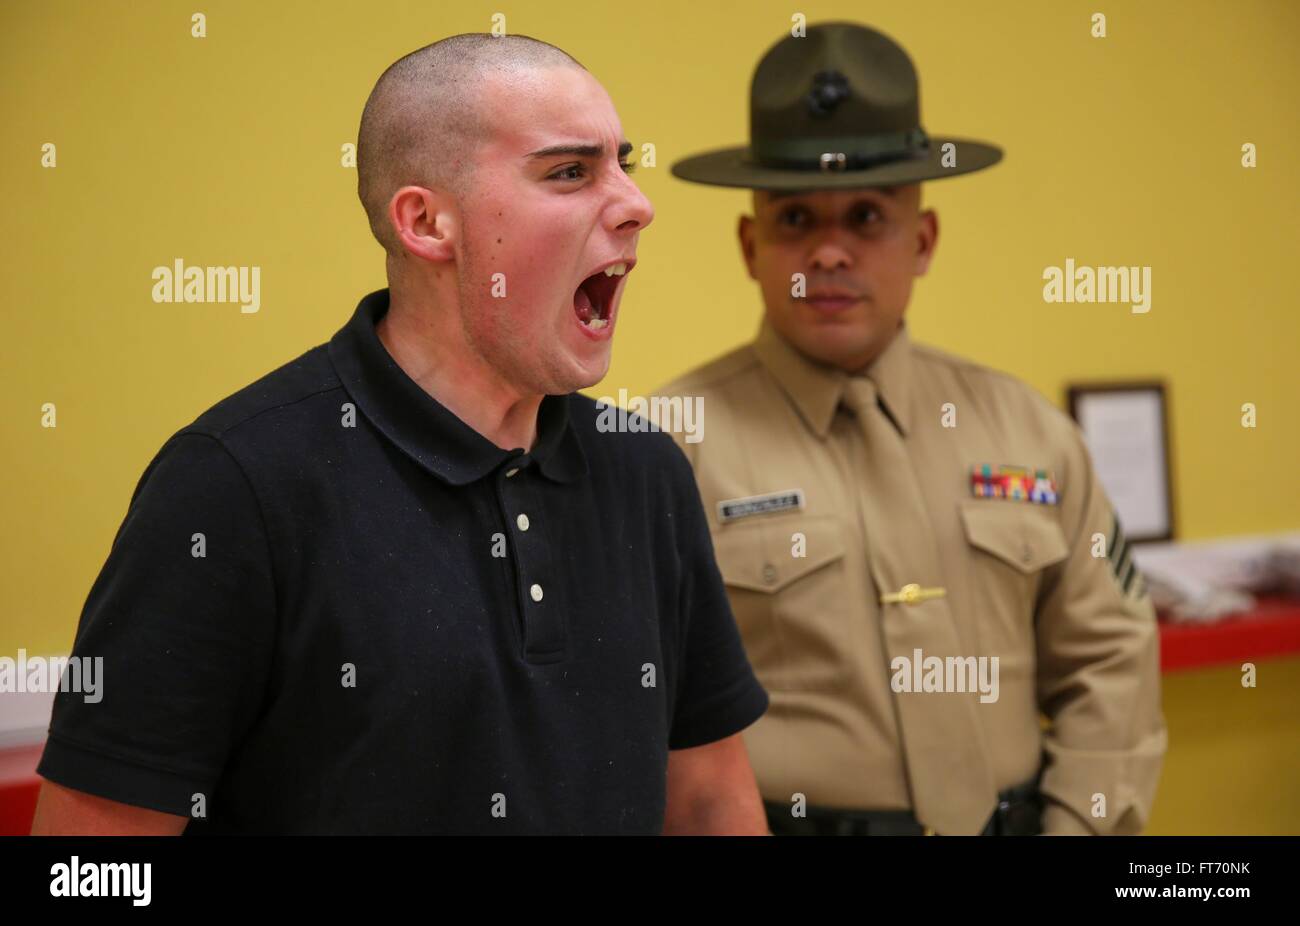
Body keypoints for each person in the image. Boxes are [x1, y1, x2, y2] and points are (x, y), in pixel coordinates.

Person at [30, 33, 769, 835]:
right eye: (570, 172)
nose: (636, 204)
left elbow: (706, 801)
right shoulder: (231, 484)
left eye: (624, 164)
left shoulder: (647, 471)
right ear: (425, 222)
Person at [659, 22, 1166, 835]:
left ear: (922, 241)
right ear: (751, 246)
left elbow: (1110, 664)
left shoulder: (1029, 431)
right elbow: (628, 709)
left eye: (866, 216)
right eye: (794, 220)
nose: (828, 252)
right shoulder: (664, 448)